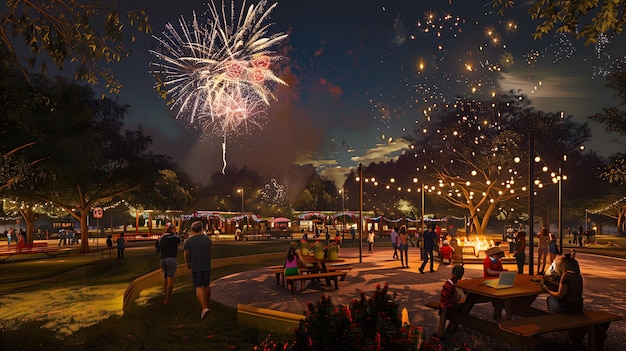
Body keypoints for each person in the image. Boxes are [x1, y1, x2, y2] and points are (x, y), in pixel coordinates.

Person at [184, 221, 213, 319]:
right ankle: (207, 305)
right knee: (206, 285)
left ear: (192, 229)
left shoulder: (188, 241)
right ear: (201, 228)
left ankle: (204, 308)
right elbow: (210, 252)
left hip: (195, 266)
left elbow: (187, 254)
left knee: (198, 286)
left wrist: (187, 263)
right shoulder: (207, 240)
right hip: (206, 265)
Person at [435, 265, 465, 339]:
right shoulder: (449, 285)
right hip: (448, 306)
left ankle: (440, 332)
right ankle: (440, 333)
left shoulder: (452, 284)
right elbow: (445, 298)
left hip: (449, 304)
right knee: (443, 314)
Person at [157, 223, 181, 305]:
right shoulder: (175, 237)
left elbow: (158, 247)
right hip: (171, 258)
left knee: (164, 277)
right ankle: (168, 298)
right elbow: (179, 241)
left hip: (162, 259)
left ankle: (165, 294)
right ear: (173, 229)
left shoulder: (162, 238)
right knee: (170, 278)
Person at [483, 246, 508, 320]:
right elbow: (489, 271)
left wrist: (504, 272)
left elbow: (501, 270)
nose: (498, 257)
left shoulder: (498, 261)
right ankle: (497, 315)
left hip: (497, 281)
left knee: (499, 299)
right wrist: (501, 272)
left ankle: (497, 315)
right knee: (496, 300)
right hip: (488, 281)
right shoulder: (487, 260)